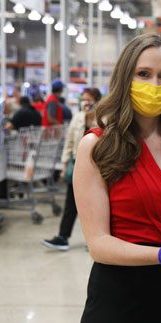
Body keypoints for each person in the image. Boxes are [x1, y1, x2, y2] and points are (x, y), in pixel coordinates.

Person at [73, 33, 161, 323]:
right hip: (120, 299)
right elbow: (98, 244)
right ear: (125, 77)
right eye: (143, 74)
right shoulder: (98, 147)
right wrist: (160, 255)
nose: (154, 85)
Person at [43, 87, 102, 251]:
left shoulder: (104, 119)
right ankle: (63, 237)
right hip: (78, 165)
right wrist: (64, 165)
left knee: (97, 203)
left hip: (98, 168)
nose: (85, 103)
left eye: (89, 99)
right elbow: (69, 143)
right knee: (71, 202)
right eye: (83, 99)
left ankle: (96, 241)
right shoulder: (77, 119)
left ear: (97, 101)